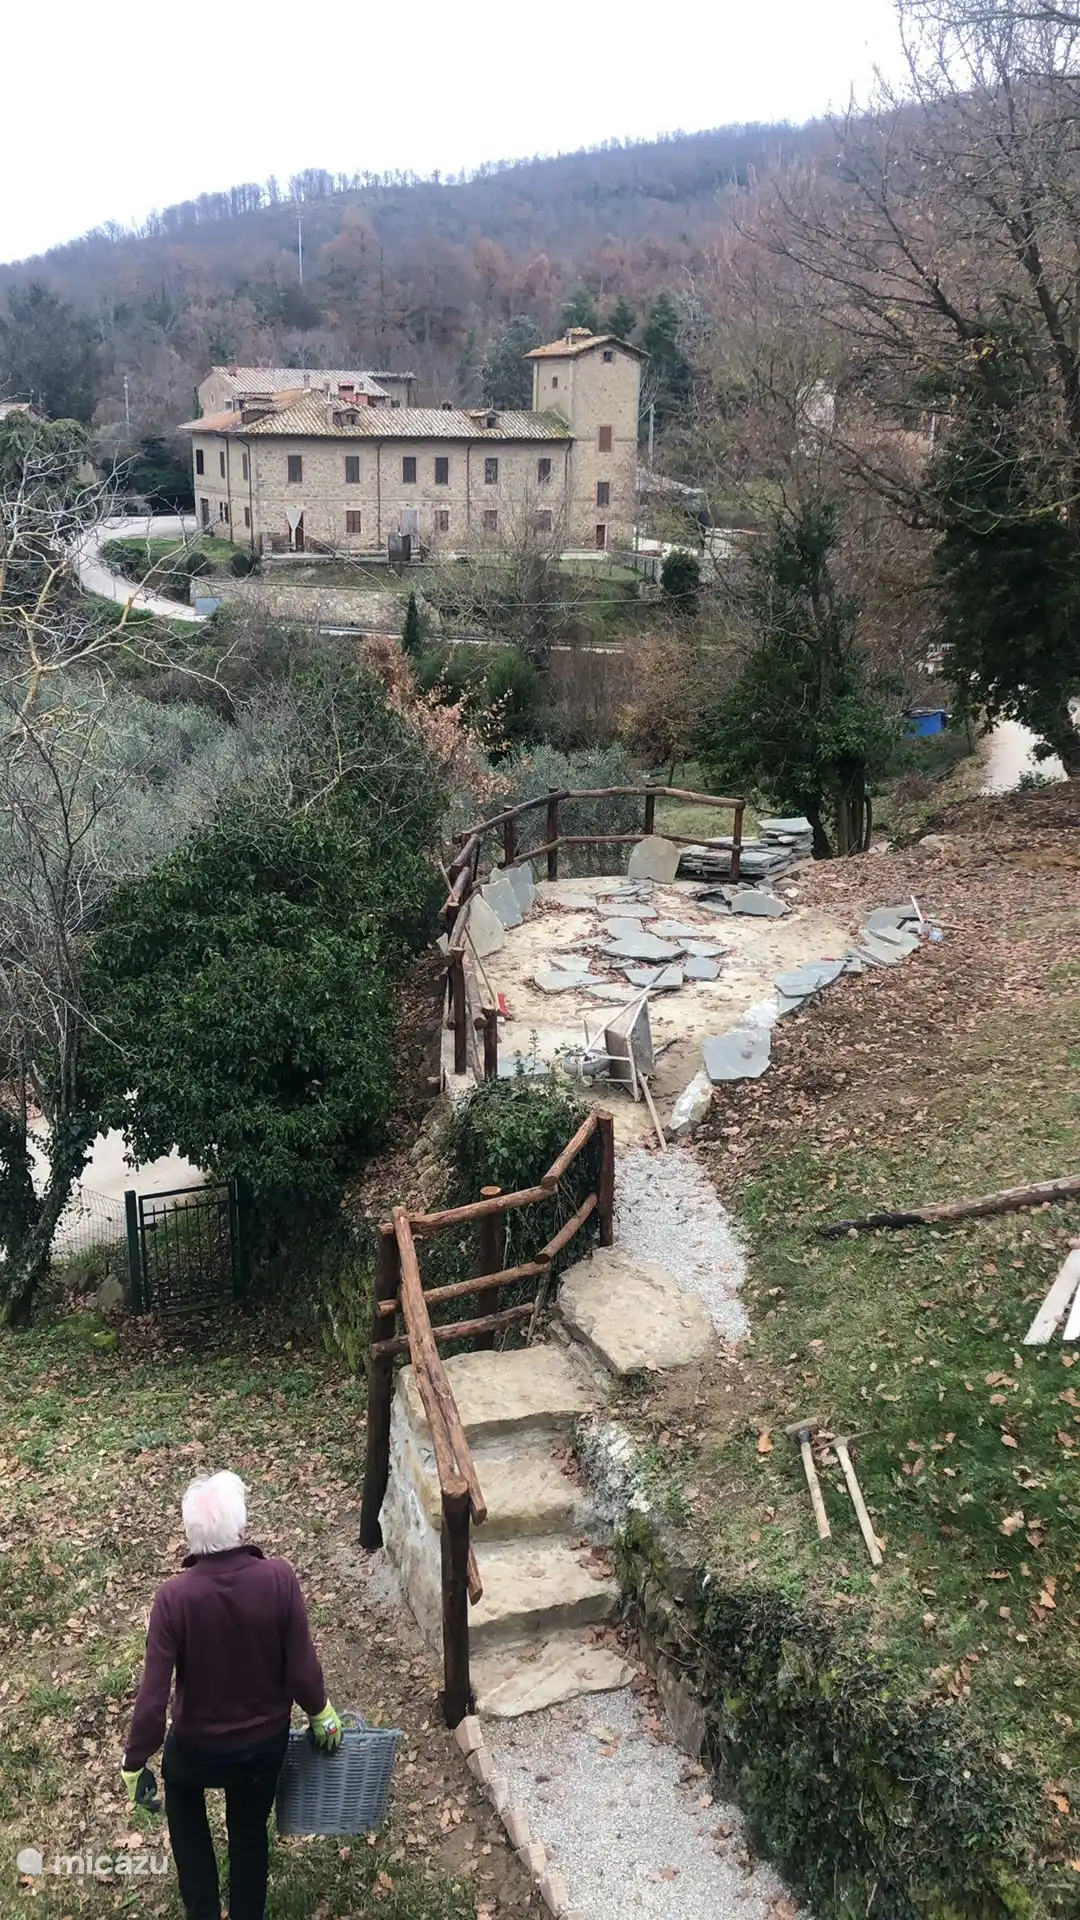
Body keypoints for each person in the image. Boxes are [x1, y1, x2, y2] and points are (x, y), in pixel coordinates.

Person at [120, 1470, 342, 1920]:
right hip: (263, 1748)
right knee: (247, 1832)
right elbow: (301, 1669)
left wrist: (135, 1760)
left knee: (182, 1801)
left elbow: (153, 1694)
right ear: (241, 1530)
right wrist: (322, 1713)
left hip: (197, 1749)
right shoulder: (279, 1578)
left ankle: (201, 1909)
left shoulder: (173, 1598)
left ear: (191, 1537)